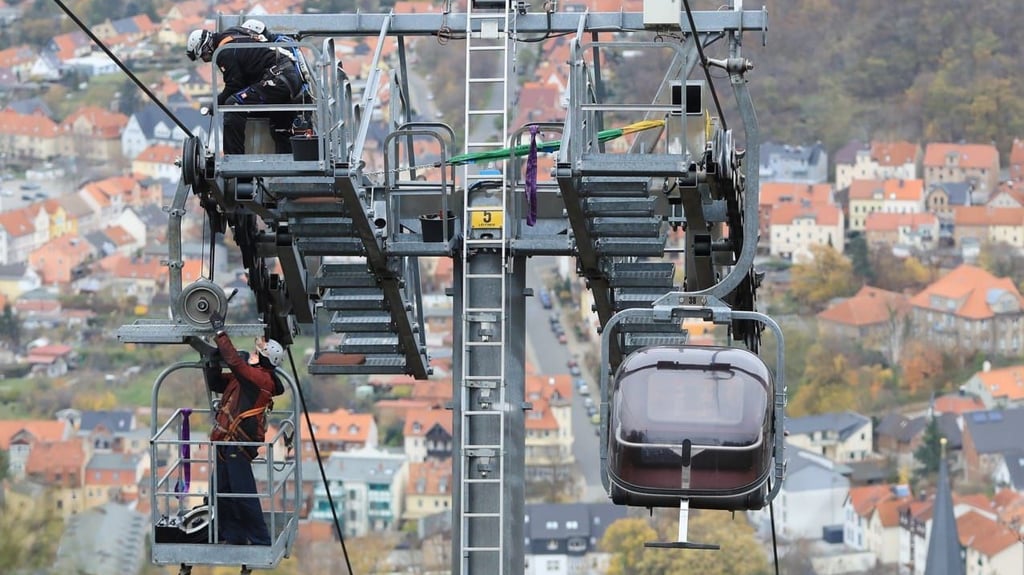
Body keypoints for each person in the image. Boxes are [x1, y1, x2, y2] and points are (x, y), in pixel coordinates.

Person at [205, 311, 285, 546]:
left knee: (241, 493)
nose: (252, 355)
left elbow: (236, 364)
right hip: (227, 445)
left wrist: (220, 333)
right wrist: (212, 363)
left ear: (264, 358)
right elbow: (219, 383)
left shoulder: (260, 381)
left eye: (256, 352)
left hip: (236, 446)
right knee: (219, 492)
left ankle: (260, 539)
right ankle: (233, 536)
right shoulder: (250, 380)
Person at [186, 26, 302, 155]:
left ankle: (234, 160)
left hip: (277, 80)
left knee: (233, 105)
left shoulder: (224, 52)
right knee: (280, 127)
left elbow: (234, 85)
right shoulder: (233, 31)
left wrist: (216, 102)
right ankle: (286, 159)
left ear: (207, 47)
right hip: (288, 76)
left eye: (205, 57)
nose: (207, 60)